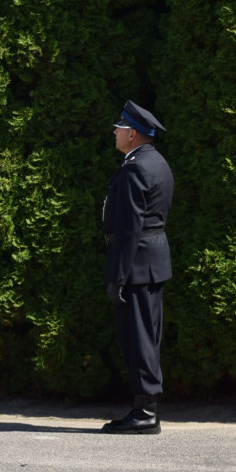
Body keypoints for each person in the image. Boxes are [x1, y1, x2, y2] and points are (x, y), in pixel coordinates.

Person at [102, 100, 173, 435]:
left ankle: (144, 412)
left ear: (132, 134)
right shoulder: (156, 162)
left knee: (139, 338)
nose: (114, 132)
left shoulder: (135, 168)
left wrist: (118, 276)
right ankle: (145, 409)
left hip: (138, 264)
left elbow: (130, 227)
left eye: (119, 128)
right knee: (148, 336)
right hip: (152, 261)